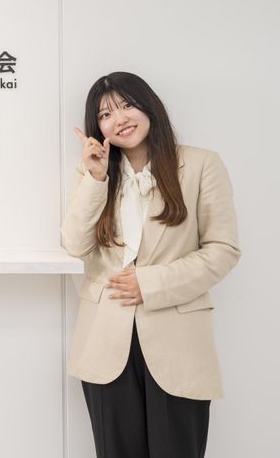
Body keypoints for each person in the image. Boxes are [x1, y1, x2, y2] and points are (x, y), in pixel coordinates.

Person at [61, 72, 241, 457]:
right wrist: (96, 178)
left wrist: (151, 283)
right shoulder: (95, 173)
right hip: (106, 341)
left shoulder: (201, 164)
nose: (119, 119)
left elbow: (223, 249)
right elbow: (74, 245)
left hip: (178, 340)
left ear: (149, 106)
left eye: (127, 105)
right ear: (97, 127)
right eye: (106, 114)